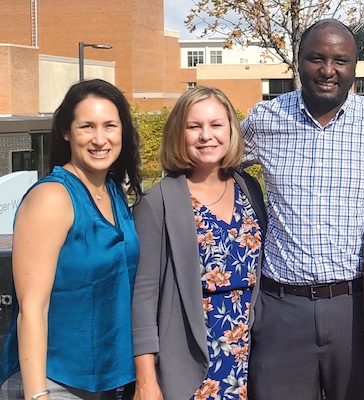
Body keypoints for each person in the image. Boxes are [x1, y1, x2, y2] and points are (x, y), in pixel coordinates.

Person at [240, 18, 364, 400]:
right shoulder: (264, 120)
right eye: (316, 58)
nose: (327, 70)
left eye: (340, 60)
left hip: (356, 310)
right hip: (281, 310)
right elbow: (213, 163)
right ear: (298, 61)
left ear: (354, 67)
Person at [0, 79, 143, 399]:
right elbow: (32, 308)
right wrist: (39, 395)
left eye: (110, 126)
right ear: (66, 132)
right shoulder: (52, 197)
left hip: (109, 380)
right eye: (87, 127)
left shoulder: (112, 190)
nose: (100, 139)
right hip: (55, 381)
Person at [131, 87, 266, 400]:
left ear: (231, 129)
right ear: (179, 134)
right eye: (194, 127)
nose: (207, 135)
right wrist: (146, 381)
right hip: (192, 362)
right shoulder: (158, 202)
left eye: (216, 125)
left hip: (248, 358)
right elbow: (143, 297)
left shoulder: (249, 189)